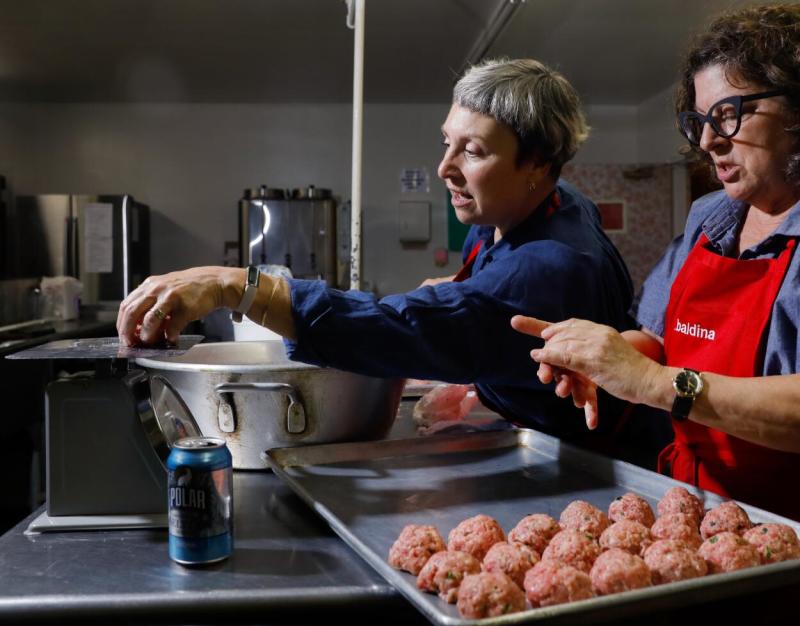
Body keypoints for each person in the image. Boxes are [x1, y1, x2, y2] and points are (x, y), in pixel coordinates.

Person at [512, 5, 800, 625]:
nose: (707, 141)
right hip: (701, 529)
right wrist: (607, 356)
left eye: (730, 113)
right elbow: (662, 340)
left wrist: (656, 384)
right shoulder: (712, 217)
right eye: (698, 120)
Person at [117, 58, 636, 447]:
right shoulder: (532, 208)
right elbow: (482, 302)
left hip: (563, 466)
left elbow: (399, 327)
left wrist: (235, 284)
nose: (444, 168)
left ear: (538, 166)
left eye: (472, 151)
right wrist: (466, 310)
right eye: (445, 143)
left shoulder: (551, 265)